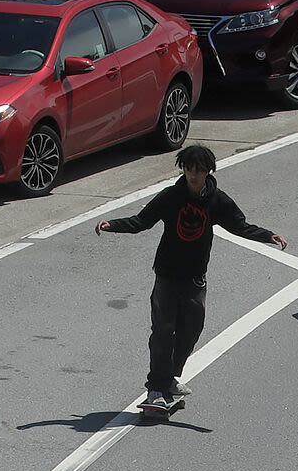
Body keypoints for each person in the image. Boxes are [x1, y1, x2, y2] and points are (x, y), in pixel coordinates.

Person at [97, 143, 287, 417]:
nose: (193, 176)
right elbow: (142, 221)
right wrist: (111, 225)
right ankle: (156, 387)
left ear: (208, 171)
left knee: (190, 331)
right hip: (166, 275)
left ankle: (169, 378)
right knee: (162, 331)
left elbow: (239, 225)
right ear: (182, 169)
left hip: (195, 278)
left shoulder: (217, 200)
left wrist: (267, 235)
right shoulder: (170, 197)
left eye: (198, 171)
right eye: (188, 170)